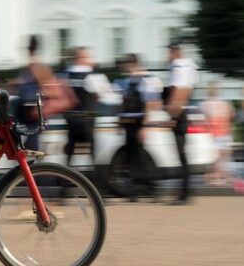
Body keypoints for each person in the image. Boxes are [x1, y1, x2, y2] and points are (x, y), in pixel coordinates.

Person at [115, 54, 163, 199]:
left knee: (140, 157)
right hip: (128, 123)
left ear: (133, 64)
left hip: (138, 122)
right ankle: (137, 189)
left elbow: (149, 105)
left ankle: (150, 188)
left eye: (125, 63)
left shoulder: (145, 80)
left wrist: (145, 127)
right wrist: (120, 122)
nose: (123, 66)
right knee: (132, 157)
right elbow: (123, 103)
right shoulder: (126, 81)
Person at [63, 47, 118, 167]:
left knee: (71, 146)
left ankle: (64, 178)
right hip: (87, 117)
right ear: (81, 58)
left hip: (71, 118)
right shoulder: (92, 75)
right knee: (91, 148)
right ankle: (94, 177)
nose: (91, 60)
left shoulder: (66, 74)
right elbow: (104, 95)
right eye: (88, 57)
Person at [163, 41, 198, 205]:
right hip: (181, 114)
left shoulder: (179, 67)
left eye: (169, 52)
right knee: (182, 155)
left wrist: (173, 117)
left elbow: (180, 93)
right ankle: (184, 193)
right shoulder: (188, 67)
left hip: (179, 115)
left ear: (175, 52)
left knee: (181, 156)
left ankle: (184, 195)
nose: (167, 56)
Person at [200, 81, 235, 186]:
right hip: (225, 133)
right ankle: (224, 178)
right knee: (224, 158)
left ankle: (213, 178)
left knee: (214, 158)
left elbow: (203, 120)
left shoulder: (204, 104)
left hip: (212, 134)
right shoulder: (225, 103)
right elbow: (232, 116)